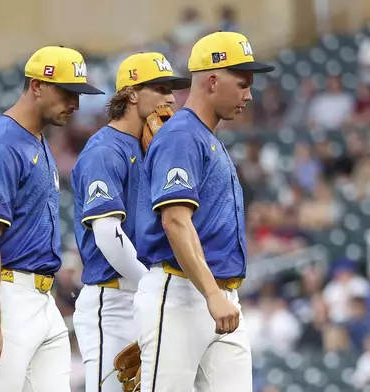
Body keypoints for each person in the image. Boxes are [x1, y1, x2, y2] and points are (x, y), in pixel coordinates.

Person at [134, 31, 275, 392]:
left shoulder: (204, 136)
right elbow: (175, 221)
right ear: (212, 80)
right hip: (181, 292)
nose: (249, 94)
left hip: (221, 295)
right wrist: (212, 294)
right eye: (242, 83)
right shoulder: (182, 135)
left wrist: (218, 295)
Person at [0, 46, 104, 392]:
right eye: (66, 92)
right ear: (36, 86)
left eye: (79, 94)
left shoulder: (37, 140)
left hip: (42, 298)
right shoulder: (0, 143)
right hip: (6, 295)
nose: (74, 103)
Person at [70, 52, 190, 392]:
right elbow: (108, 236)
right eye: (160, 88)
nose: (170, 97)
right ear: (132, 93)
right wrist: (150, 287)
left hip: (143, 296)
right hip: (115, 302)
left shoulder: (154, 148)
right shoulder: (105, 150)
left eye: (172, 89)